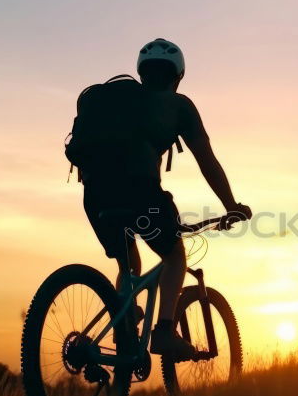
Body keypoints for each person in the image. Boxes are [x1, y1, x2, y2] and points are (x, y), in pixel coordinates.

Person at [80, 38, 251, 359]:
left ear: (141, 73)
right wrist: (232, 206)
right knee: (174, 256)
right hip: (140, 194)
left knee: (128, 260)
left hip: (95, 195)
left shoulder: (114, 103)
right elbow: (207, 162)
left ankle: (125, 324)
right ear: (178, 76)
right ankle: (164, 332)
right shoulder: (179, 105)